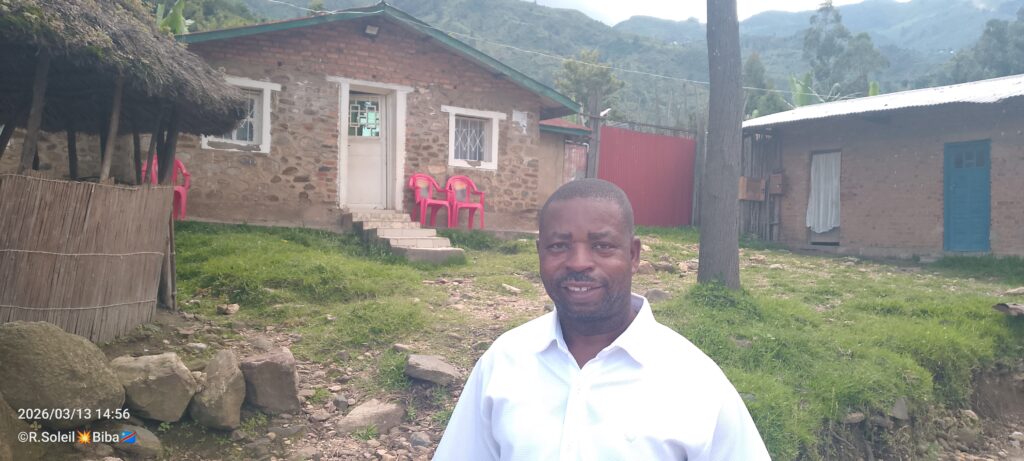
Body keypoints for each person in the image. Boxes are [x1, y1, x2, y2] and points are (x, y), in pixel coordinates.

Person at [433, 179, 771, 460]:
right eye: (558, 246)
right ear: (539, 253)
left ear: (633, 255)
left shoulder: (695, 381)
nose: (578, 262)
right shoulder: (504, 362)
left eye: (602, 246)